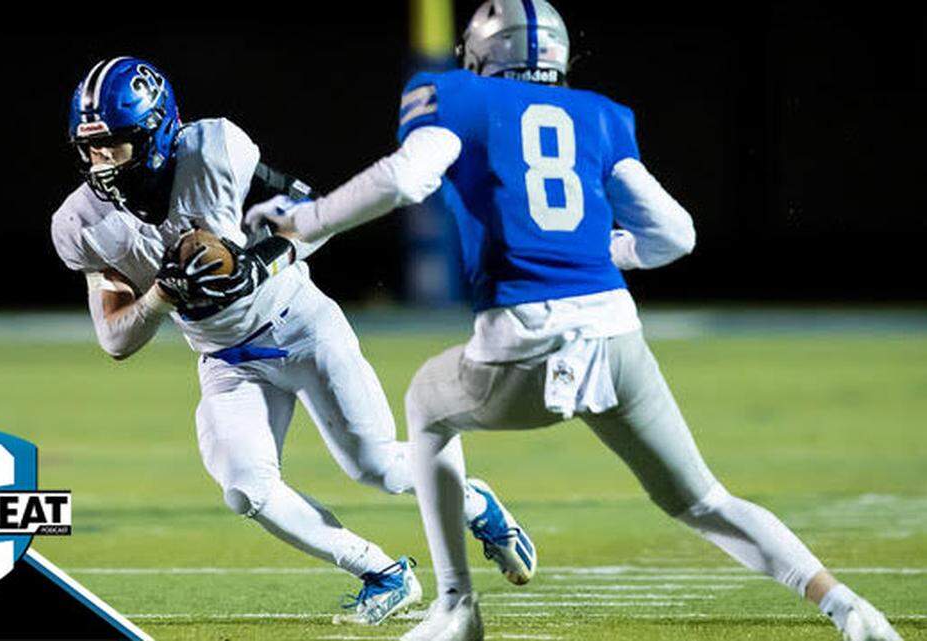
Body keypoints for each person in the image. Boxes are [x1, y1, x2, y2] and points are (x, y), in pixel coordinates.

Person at [244, 2, 904, 640]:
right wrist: (606, 249)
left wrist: (304, 222)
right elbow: (676, 235)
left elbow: (409, 179)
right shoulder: (596, 114)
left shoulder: (457, 96)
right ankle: (848, 607)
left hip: (523, 341)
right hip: (616, 338)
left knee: (426, 402)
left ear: (480, 54)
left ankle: (457, 606)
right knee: (703, 499)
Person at [50, 56, 535, 625]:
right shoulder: (81, 221)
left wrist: (257, 264)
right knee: (245, 489)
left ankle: (476, 502)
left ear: (156, 130)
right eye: (92, 148)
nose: (102, 163)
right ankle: (382, 572)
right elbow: (115, 339)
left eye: (116, 145)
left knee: (377, 467)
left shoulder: (215, 151)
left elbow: (312, 213)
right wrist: (160, 294)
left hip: (299, 324)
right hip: (224, 357)